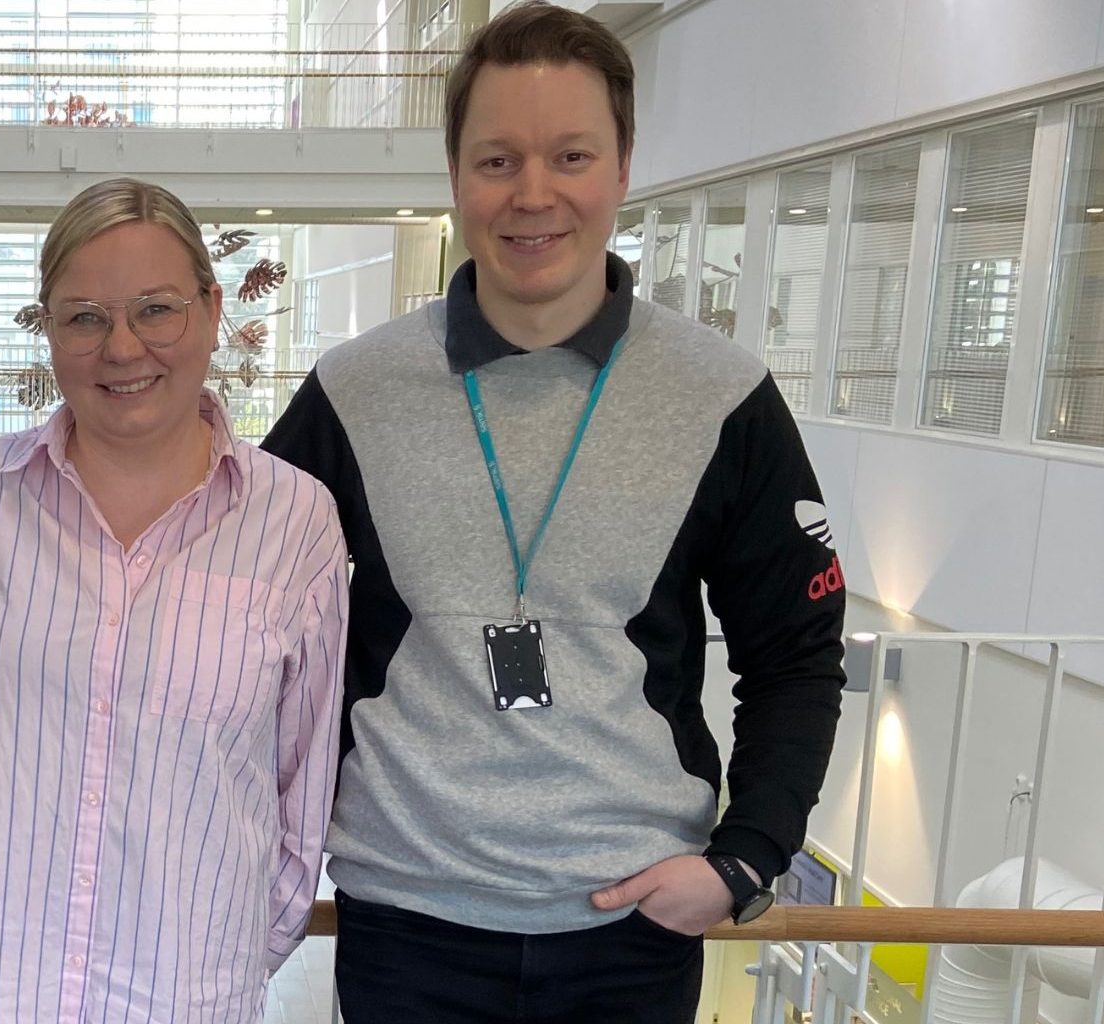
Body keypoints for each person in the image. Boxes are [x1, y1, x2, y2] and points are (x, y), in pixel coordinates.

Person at [260, 4, 848, 1021]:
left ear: (620, 167)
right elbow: (241, 613)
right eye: (496, 160)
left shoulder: (721, 396)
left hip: (631, 928)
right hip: (407, 920)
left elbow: (795, 653)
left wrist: (746, 856)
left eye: (569, 155)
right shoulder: (353, 391)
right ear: (454, 176)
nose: (532, 194)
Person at [0, 177, 349, 1022]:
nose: (123, 348)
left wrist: (245, 942)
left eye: (156, 309)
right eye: (84, 316)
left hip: (189, 994)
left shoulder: (296, 520)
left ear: (211, 307)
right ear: (48, 328)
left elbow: (305, 773)